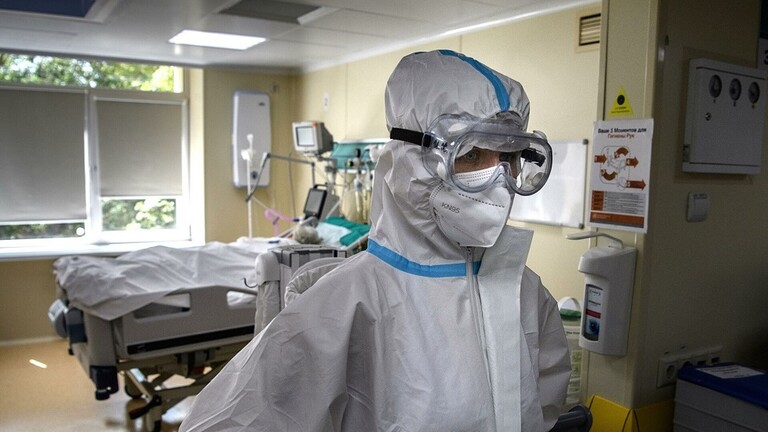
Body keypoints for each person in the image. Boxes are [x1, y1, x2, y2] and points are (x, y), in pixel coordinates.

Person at [180, 49, 571, 432]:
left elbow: (544, 411)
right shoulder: (345, 304)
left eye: (510, 158)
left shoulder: (527, 294)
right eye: (470, 155)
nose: (498, 180)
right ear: (412, 161)